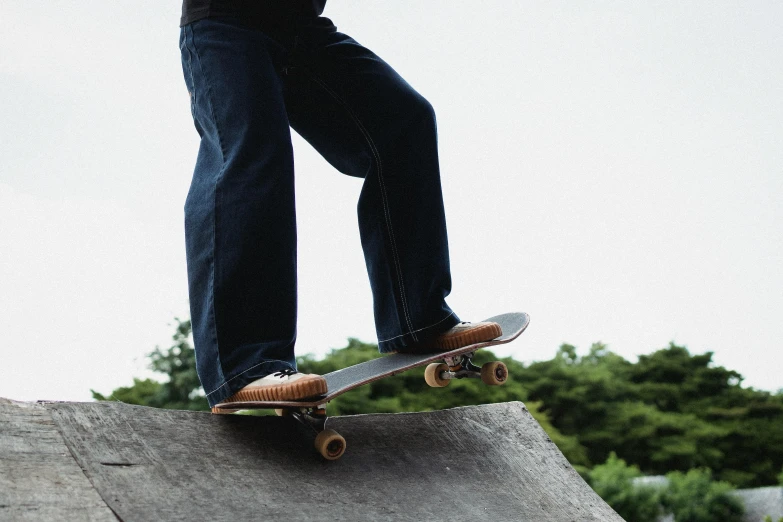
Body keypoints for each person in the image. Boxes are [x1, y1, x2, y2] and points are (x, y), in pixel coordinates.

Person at [178, 0, 502, 411]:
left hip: (303, 29)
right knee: (254, 156)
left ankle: (417, 318)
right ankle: (246, 364)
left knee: (403, 122)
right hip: (226, 23)